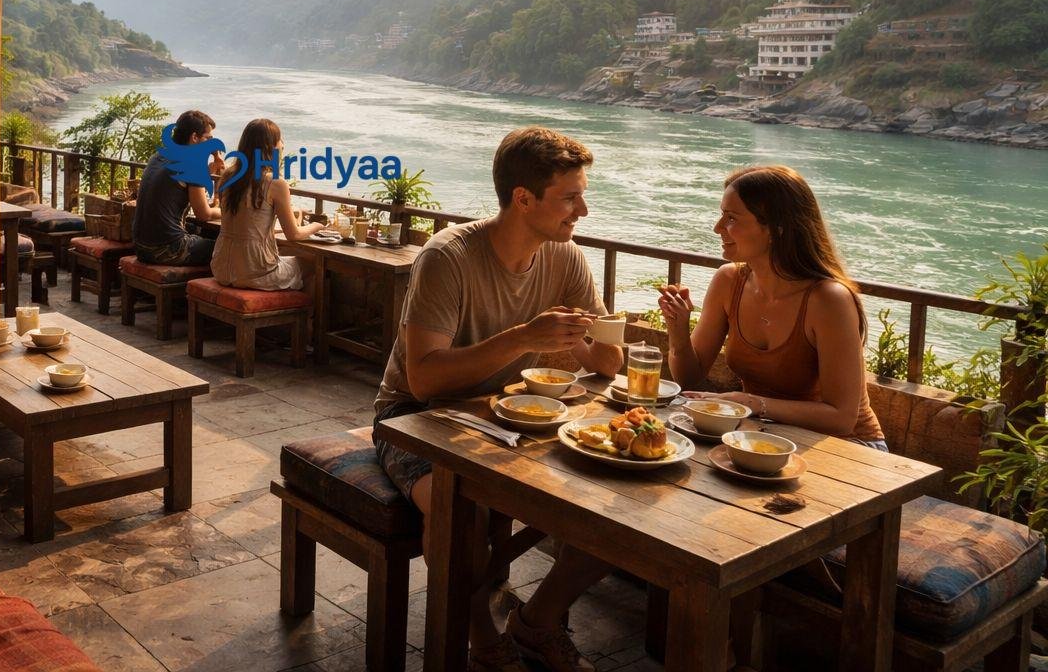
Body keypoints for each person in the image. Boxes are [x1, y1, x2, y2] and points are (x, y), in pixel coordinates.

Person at [373, 126, 625, 672]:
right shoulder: (449, 258)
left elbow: (609, 365)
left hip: (510, 416)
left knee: (619, 501)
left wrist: (586, 339)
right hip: (414, 417)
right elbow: (422, 381)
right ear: (523, 198)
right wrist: (524, 337)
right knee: (455, 504)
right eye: (570, 197)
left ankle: (539, 620)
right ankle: (483, 638)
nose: (582, 210)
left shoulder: (565, 257)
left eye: (582, 195)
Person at [658, 164, 884, 445]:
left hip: (848, 446)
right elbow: (689, 379)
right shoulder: (729, 281)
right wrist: (678, 329)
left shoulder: (828, 300)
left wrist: (751, 403)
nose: (717, 228)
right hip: (764, 434)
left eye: (731, 218)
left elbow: (842, 417)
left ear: (776, 230)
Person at [209, 118, 326, 290]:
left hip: (221, 267)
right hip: (254, 271)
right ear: (269, 147)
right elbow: (293, 235)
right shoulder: (275, 183)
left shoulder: (228, 176)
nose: (283, 144)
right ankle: (306, 316)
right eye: (280, 140)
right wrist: (318, 225)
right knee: (313, 263)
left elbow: (251, 224)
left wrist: (292, 219)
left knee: (288, 259)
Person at [133, 109, 222, 266]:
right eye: (208, 138)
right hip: (166, 250)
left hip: (141, 246)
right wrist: (228, 211)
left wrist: (212, 163)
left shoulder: (159, 156)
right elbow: (204, 214)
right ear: (194, 137)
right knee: (227, 249)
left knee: (201, 232)